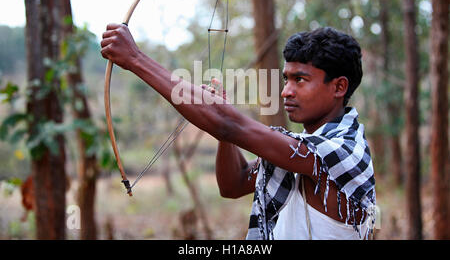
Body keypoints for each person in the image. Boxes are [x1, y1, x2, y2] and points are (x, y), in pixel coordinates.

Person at [100, 24, 376, 240]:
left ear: (339, 87)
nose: (286, 91)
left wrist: (135, 59)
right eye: (286, 79)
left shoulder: (342, 151)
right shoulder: (303, 151)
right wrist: (225, 130)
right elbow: (233, 184)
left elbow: (228, 124)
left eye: (300, 80)